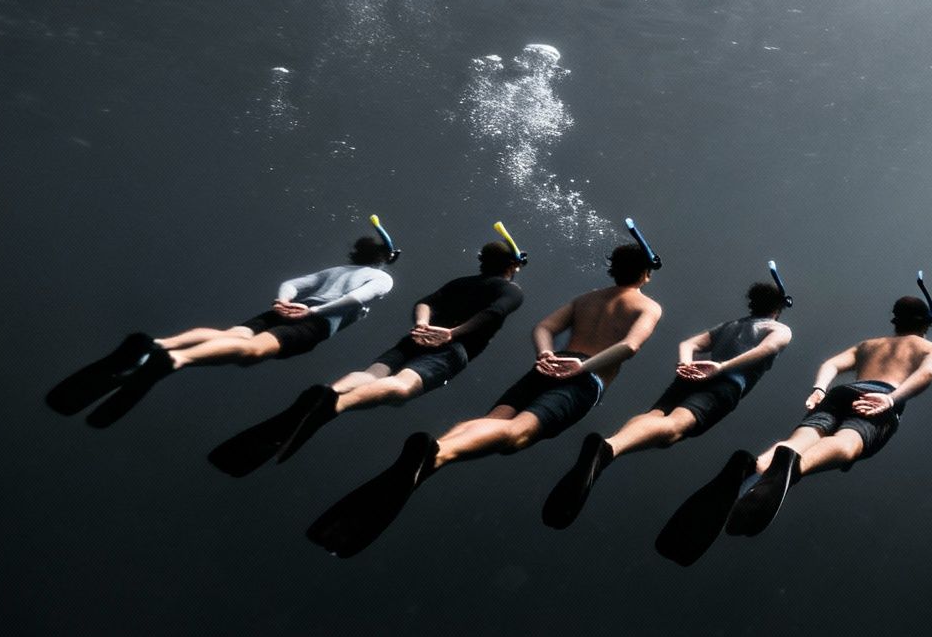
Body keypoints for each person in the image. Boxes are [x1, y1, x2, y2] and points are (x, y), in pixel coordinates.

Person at [305, 240, 662, 558]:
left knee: (493, 421)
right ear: (645, 272)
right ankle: (437, 453)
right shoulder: (648, 306)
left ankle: (440, 449)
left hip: (546, 368)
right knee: (516, 435)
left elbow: (543, 327)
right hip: (583, 378)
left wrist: (545, 355)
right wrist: (580, 370)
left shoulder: (585, 299)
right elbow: (629, 346)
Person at [660, 294, 932, 562]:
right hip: (879, 397)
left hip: (841, 393)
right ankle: (795, 466)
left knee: (798, 439)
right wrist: (890, 398)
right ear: (925, 323)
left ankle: (756, 466)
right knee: (848, 445)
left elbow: (831, 363)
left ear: (896, 320)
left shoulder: (870, 345)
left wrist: (820, 389)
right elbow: (927, 373)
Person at [207, 240, 527, 477]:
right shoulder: (513, 291)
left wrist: (422, 325)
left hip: (415, 339)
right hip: (451, 348)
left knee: (372, 374)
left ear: (482, 261)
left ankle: (330, 393)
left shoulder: (461, 282)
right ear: (512, 265)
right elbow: (493, 313)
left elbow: (425, 301)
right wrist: (451, 335)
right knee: (401, 389)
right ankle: (335, 405)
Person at [46, 234, 398, 428]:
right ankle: (174, 358)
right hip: (314, 320)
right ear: (385, 257)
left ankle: (157, 344)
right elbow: (356, 297)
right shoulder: (382, 277)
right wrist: (312, 310)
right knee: (253, 352)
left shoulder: (335, 268)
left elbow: (293, 283)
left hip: (286, 310)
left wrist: (281, 302)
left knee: (235, 334)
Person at [542, 278, 793, 529]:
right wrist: (721, 367)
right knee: (676, 426)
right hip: (723, 384)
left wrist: (686, 364)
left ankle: (610, 445)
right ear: (779, 307)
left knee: (657, 419)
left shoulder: (732, 325)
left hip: (693, 377)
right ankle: (606, 450)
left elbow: (689, 343)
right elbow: (768, 348)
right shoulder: (779, 329)